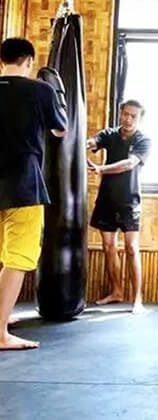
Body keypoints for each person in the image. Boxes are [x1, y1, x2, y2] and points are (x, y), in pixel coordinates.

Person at [0, 38, 67, 349]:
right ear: (28, 61)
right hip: (23, 185)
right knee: (17, 258)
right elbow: (60, 130)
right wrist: (59, 99)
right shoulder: (40, 90)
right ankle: (0, 332)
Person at [87, 100, 150, 314]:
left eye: (133, 116)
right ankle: (116, 291)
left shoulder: (143, 140)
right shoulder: (110, 134)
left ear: (139, 118)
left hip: (129, 200)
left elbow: (129, 164)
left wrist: (101, 169)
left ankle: (138, 299)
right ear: (120, 113)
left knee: (132, 248)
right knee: (108, 246)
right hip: (106, 199)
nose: (128, 119)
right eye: (125, 114)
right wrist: (83, 142)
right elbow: (94, 141)